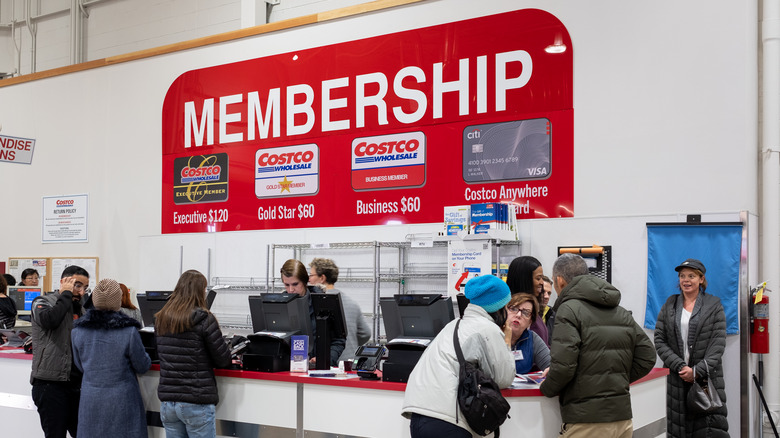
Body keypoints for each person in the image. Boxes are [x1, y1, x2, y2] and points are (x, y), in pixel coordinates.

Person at [540, 253, 655, 438]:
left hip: (586, 421)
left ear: (559, 281)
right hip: (622, 419)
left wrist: (546, 388)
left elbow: (564, 367)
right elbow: (648, 356)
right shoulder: (620, 311)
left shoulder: (568, 309)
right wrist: (615, 381)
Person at [401, 274, 515, 437]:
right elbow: (504, 378)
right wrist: (507, 341)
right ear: (498, 308)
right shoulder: (487, 328)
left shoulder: (453, 325)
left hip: (419, 417)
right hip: (448, 421)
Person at [654, 258, 728, 437]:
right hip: (676, 377)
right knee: (678, 427)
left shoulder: (714, 305)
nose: (686, 280)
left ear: (701, 279)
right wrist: (680, 367)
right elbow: (659, 340)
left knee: (707, 427)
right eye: (682, 276)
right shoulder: (670, 304)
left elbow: (718, 344)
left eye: (691, 276)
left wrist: (696, 371)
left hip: (705, 377)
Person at [155, 270, 232, 438]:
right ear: (200, 292)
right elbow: (223, 359)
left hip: (169, 404)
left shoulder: (161, 319)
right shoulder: (205, 319)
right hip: (196, 402)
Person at [71, 278, 151, 438]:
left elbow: (80, 366)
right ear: (117, 301)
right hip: (123, 400)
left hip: (90, 399)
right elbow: (142, 365)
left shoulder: (77, 331)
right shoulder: (128, 331)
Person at [30, 265, 89, 438]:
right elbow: (50, 320)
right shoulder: (42, 302)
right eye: (77, 285)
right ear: (64, 282)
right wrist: (66, 294)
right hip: (49, 384)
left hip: (76, 384)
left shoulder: (81, 308)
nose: (81, 292)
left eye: (85, 287)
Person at [280, 259, 346, 367]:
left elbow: (339, 340)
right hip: (288, 368)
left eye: (295, 284)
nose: (291, 290)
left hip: (318, 369)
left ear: (305, 281)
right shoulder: (280, 305)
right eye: (286, 285)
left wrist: (326, 359)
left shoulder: (325, 302)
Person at [308, 257, 371, 362]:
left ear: (322, 278)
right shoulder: (351, 302)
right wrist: (350, 342)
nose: (309, 279)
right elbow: (366, 333)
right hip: (350, 363)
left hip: (329, 362)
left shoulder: (316, 302)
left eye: (311, 275)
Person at [505, 255, 549, 345]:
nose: (541, 282)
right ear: (524, 280)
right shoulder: (507, 315)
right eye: (538, 278)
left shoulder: (535, 308)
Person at [506, 293, 550, 375]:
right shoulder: (493, 334)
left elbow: (550, 365)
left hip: (522, 387)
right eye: (514, 309)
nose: (518, 315)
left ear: (530, 322)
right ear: (505, 311)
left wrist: (550, 370)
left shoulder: (532, 338)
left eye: (526, 313)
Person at [541, 275, 556, 339]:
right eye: (543, 292)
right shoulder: (527, 314)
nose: (546, 296)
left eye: (549, 293)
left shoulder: (553, 315)